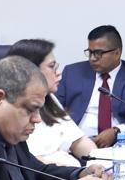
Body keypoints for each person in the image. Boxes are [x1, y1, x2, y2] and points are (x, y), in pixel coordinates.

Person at [57, 25, 125, 148]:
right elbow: (52, 110)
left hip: (119, 145)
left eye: (98, 53)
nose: (92, 58)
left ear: (117, 53)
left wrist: (117, 131)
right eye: (90, 52)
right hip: (75, 144)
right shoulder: (72, 73)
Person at [8, 38, 96, 167]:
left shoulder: (49, 98)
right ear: (30, 70)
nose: (58, 73)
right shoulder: (15, 108)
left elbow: (78, 141)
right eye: (51, 67)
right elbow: (33, 164)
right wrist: (78, 174)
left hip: (73, 173)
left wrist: (100, 161)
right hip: (50, 176)